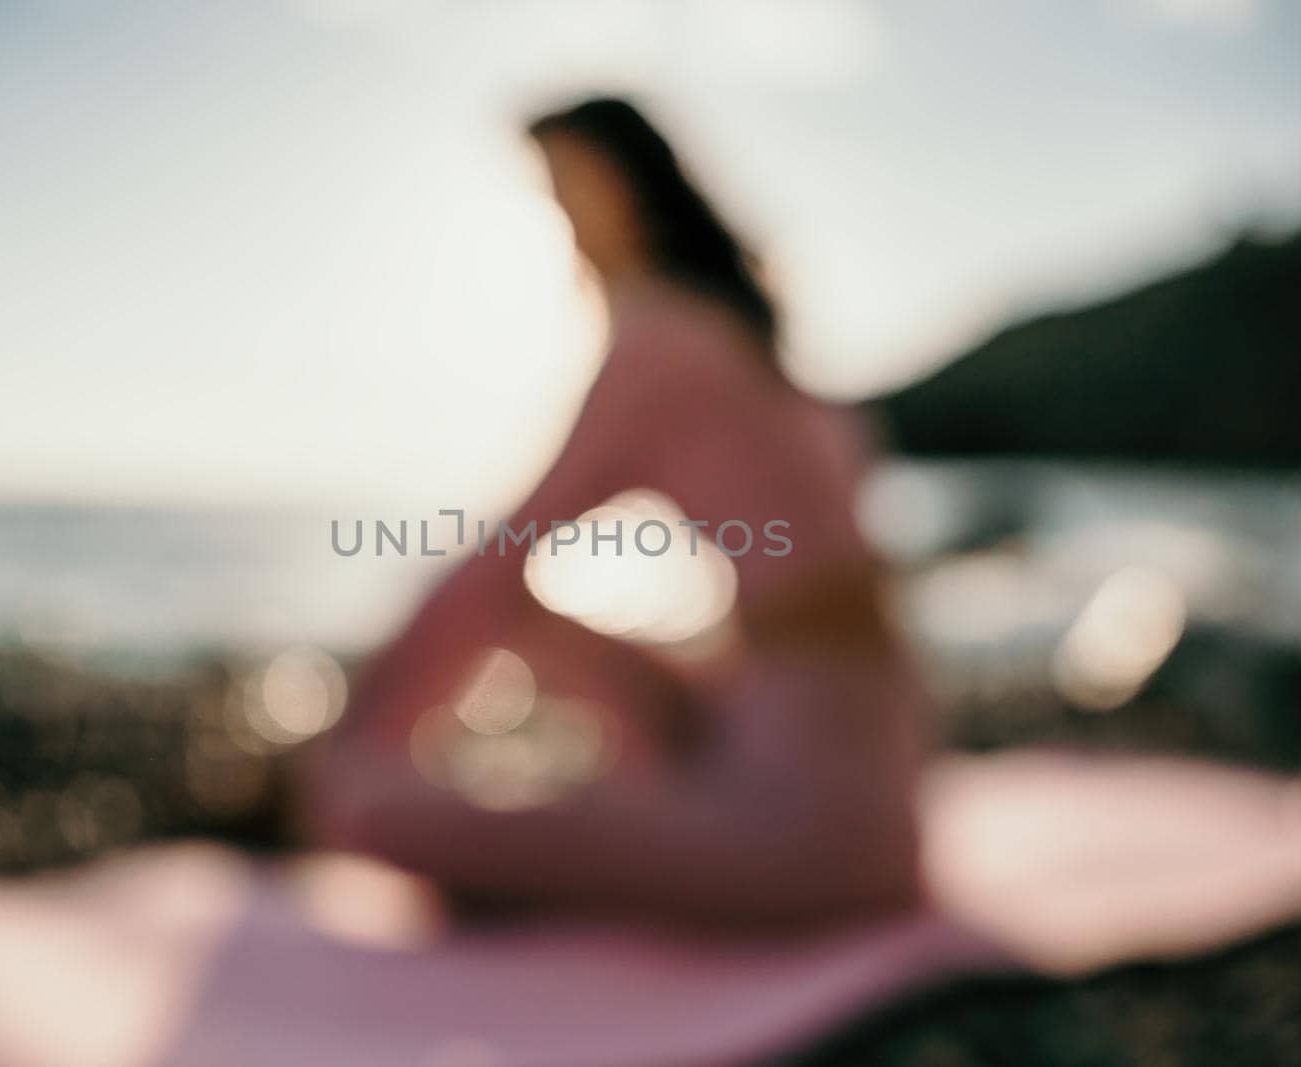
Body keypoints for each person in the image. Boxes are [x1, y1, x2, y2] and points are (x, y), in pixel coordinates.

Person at [295, 97, 925, 928]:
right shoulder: (756, 349)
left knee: (365, 811)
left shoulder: (661, 340)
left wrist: (349, 733)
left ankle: (360, 767)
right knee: (541, 627)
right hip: (866, 761)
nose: (568, 227)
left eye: (568, 196)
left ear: (625, 189)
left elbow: (506, 551)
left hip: (814, 825)